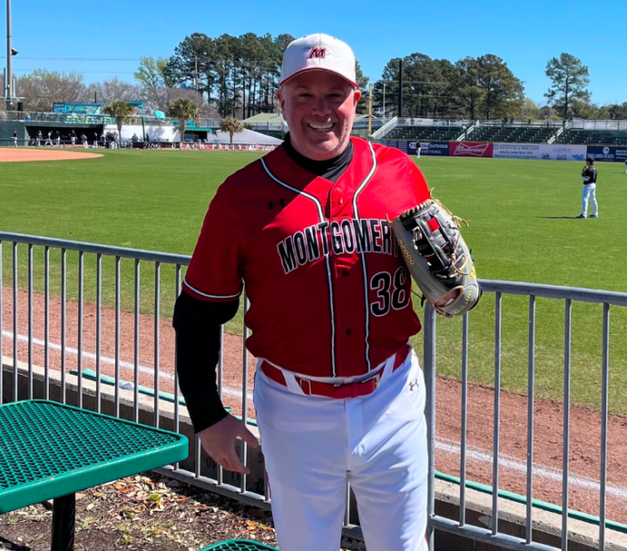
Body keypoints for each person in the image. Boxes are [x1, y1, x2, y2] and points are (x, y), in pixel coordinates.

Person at [173, 33, 431, 551]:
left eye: (334, 94)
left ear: (356, 100)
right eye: (304, 94)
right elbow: (198, 311)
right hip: (294, 408)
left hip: (392, 398)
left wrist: (446, 289)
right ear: (281, 100)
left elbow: (432, 273)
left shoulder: (400, 174)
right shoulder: (240, 195)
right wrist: (206, 413)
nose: (321, 109)